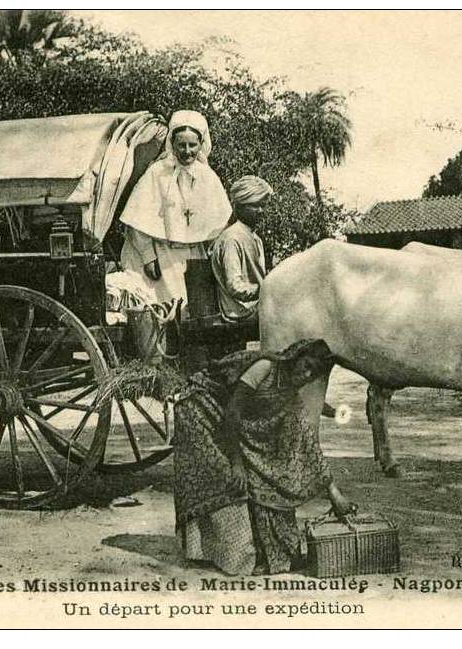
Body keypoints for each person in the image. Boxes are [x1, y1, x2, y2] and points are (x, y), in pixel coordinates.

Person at [173, 339, 355, 576]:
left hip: (231, 421)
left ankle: (261, 549)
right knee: (226, 478)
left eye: (312, 374)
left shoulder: (289, 389)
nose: (306, 374)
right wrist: (237, 464)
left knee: (273, 461)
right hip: (203, 409)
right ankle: (206, 549)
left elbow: (308, 442)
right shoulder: (264, 369)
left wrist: (335, 495)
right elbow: (232, 414)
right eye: (306, 365)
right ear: (295, 357)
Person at [119, 110, 232, 307]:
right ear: (173, 144)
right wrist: (148, 257)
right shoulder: (157, 172)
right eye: (182, 145)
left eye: (192, 145)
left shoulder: (208, 176)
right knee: (163, 310)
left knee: (194, 310)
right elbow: (136, 223)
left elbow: (220, 225)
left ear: (201, 145)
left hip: (194, 256)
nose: (187, 151)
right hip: (161, 255)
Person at [209, 175, 272, 322]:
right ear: (239, 206)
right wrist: (266, 289)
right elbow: (235, 286)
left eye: (263, 205)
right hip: (241, 312)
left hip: (255, 307)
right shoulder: (232, 238)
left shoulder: (253, 236)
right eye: (255, 205)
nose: (261, 210)